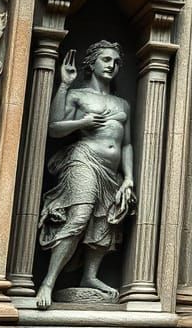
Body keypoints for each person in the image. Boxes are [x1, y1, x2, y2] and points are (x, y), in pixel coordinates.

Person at [36, 42, 135, 309]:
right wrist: (65, 87)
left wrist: (129, 177)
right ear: (91, 63)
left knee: (105, 223)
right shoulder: (78, 95)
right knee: (79, 216)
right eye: (105, 59)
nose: (111, 65)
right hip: (84, 159)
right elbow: (54, 128)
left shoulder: (121, 102)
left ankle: (90, 276)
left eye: (115, 61)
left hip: (111, 170)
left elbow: (126, 143)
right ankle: (48, 282)